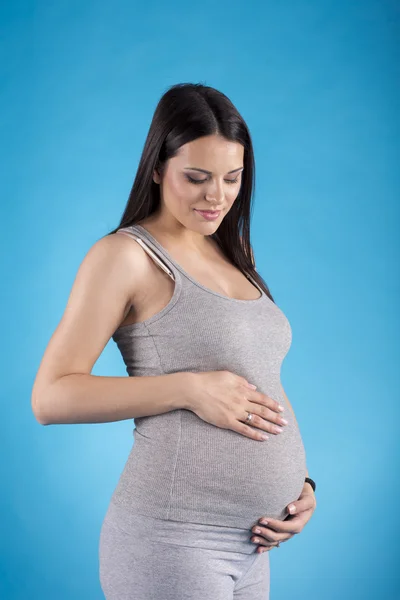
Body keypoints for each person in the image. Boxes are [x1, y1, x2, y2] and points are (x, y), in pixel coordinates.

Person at [31, 83, 316, 599]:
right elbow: (50, 397)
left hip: (252, 544)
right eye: (197, 178)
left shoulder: (234, 250)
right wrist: (186, 389)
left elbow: (261, 379)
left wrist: (301, 485)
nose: (217, 197)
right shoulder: (125, 256)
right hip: (173, 540)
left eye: (233, 178)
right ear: (158, 168)